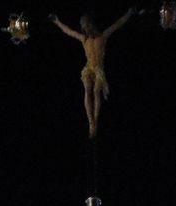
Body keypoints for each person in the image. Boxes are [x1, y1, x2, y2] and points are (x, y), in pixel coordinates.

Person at [50, 8, 137, 137]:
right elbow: (68, 31)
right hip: (89, 68)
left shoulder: (102, 36)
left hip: (99, 69)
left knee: (96, 91)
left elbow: (117, 24)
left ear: (91, 24)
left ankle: (94, 123)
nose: (84, 29)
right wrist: (57, 22)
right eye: (83, 27)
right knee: (87, 89)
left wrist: (129, 14)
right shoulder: (84, 39)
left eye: (86, 26)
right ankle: (91, 122)